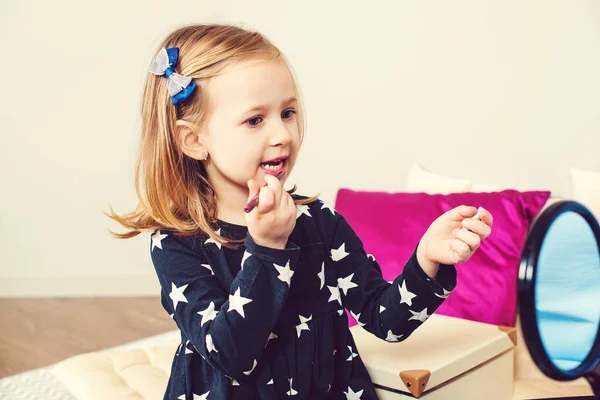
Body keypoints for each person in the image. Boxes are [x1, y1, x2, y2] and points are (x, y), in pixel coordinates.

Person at [107, 23, 493, 400]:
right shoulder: (177, 242)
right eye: (255, 120)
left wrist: (426, 259)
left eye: (287, 113)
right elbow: (231, 354)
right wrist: (268, 248)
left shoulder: (317, 221)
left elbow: (385, 320)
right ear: (194, 140)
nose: (282, 135)